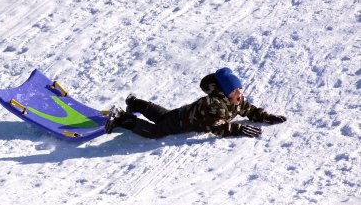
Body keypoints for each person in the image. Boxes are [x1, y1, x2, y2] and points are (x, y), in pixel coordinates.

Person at [105, 67, 287, 139]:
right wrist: (237, 129)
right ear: (224, 92)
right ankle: (122, 117)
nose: (238, 94)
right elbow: (215, 127)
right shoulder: (215, 104)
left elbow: (250, 110)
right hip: (182, 122)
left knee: (163, 115)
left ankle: (135, 102)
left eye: (239, 89)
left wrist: (267, 117)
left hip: (182, 114)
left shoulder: (237, 101)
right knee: (155, 131)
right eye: (233, 90)